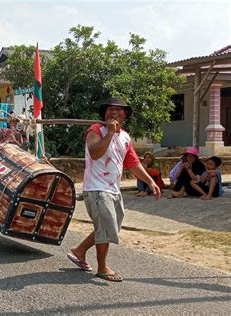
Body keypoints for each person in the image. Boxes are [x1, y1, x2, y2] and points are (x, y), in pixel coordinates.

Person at [67, 97, 161, 282]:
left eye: (119, 110)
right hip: (96, 189)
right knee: (106, 227)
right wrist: (109, 133)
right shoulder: (96, 129)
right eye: (111, 109)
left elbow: (133, 163)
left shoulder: (125, 137)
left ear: (125, 115)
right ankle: (102, 267)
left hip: (113, 190)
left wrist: (150, 181)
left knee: (110, 227)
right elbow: (94, 153)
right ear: (105, 113)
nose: (115, 113)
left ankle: (79, 251)